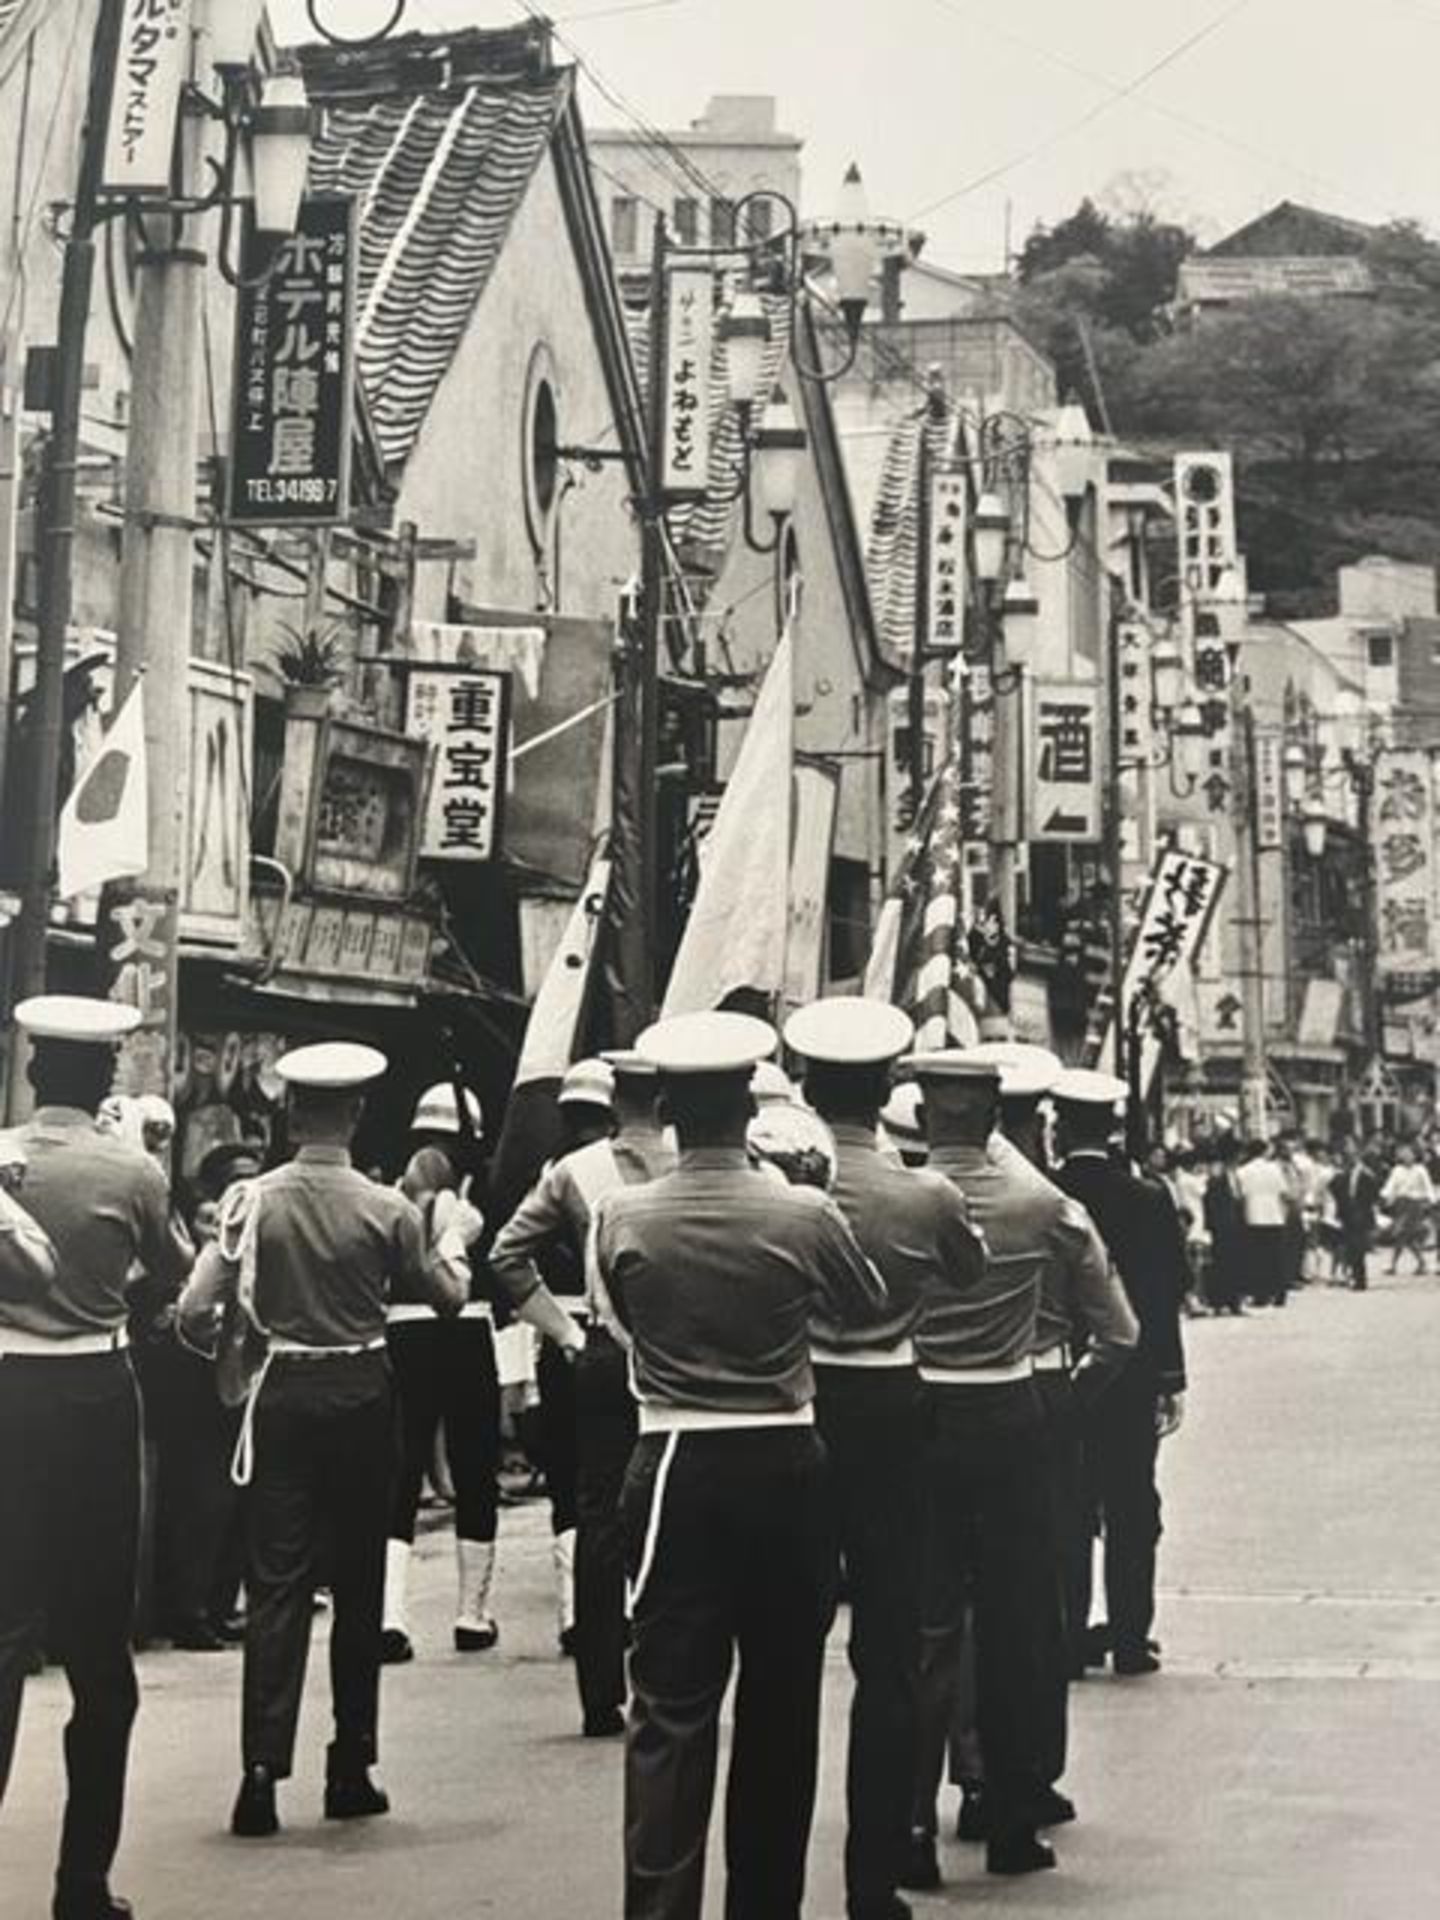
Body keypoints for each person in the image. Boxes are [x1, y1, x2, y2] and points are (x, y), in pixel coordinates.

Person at [592, 1011, 887, 1920]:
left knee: (670, 1706)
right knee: (781, 1701)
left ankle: (659, 1909)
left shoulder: (624, 1213)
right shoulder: (805, 1212)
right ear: (751, 1108)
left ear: (671, 1109)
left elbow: (625, 1321)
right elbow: (863, 1302)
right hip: (785, 1453)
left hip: (676, 1451)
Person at [177, 1041, 471, 1839]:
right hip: (363, 1391)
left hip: (281, 1393)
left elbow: (193, 1310)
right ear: (357, 1114)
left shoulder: (250, 1201)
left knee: (275, 1585)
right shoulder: (388, 1208)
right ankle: (352, 1763)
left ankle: (261, 1772)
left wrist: (240, 1350)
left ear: (291, 1113)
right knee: (358, 1583)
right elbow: (445, 1298)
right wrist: (453, 1255)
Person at [786, 996, 984, 1920]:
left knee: (784, 1646)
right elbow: (967, 1272)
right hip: (896, 1409)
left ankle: (772, 1873)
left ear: (809, 1088)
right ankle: (880, 1867)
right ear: (886, 1089)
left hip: (795, 1409)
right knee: (891, 1651)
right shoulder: (926, 1192)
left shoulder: (780, 1188)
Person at [0, 994, 192, 1920]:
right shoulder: (133, 1170)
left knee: (0, 1638)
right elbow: (173, 1272)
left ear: (34, 1074)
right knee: (100, 1656)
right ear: (106, 1079)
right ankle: (82, 1884)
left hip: (5, 1392)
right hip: (95, 1395)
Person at [968, 1044, 1137, 1827]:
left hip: (933, 1404)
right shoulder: (1049, 1205)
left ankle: (962, 1772)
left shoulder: (929, 1192)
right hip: (1036, 1392)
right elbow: (1119, 1332)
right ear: (1037, 1120)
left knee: (947, 1609)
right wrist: (1070, 1399)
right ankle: (1027, 1773)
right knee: (1038, 1599)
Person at [489, 1050, 674, 1736]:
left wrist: (566, 1331)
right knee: (680, 1509)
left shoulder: (573, 1173)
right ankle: (669, 1670)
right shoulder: (701, 1161)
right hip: (686, 1356)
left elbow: (506, 1256)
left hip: (603, 1352)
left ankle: (602, 1691)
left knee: (601, 1515)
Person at [1053, 1070, 1188, 1679]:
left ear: (1058, 1125)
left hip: (1060, 1375)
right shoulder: (1149, 1198)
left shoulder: (1044, 1194)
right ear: (1111, 1129)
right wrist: (1169, 1376)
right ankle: (1131, 1638)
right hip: (1132, 1376)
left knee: (1069, 1507)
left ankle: (1068, 1635)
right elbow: (1166, 1291)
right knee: (1133, 1506)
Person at [381, 1081, 507, 1663]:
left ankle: (391, 1614)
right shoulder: (480, 1204)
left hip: (404, 1332)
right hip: (464, 1330)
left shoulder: (389, 1197)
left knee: (401, 1468)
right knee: (475, 1467)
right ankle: (471, 1613)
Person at [1235, 1139, 1290, 1307]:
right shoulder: (1275, 1169)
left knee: (1257, 1258)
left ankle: (1261, 1293)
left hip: (1253, 1215)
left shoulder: (1243, 1171)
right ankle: (1280, 1292)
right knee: (1276, 1257)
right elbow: (1284, 1193)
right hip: (1274, 1215)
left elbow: (1240, 1196)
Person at [1203, 1139, 1247, 1314]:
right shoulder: (1218, 1176)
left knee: (1235, 1263)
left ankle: (1233, 1301)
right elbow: (1212, 1202)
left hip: (1235, 1225)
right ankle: (1220, 1301)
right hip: (1223, 1227)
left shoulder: (1233, 1174)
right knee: (1221, 1264)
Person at [1380, 1143, 1436, 1275]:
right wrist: (1385, 1198)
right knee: (1407, 1237)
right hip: (1401, 1204)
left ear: (1414, 1155)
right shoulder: (1397, 1170)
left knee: (1401, 1233)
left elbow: (1428, 1186)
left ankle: (1393, 1264)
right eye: (1403, 1153)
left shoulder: (1420, 1169)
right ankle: (1421, 1263)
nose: (1405, 1156)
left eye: (1408, 1153)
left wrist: (1431, 1200)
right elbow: (1391, 1186)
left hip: (1414, 1204)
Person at [1332, 1143, 1380, 1290]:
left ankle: (1360, 1279)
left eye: (1352, 1156)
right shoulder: (1343, 1175)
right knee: (1350, 1247)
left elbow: (1373, 1195)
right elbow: (1336, 1191)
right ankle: (1355, 1276)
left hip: (1361, 1214)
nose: (1349, 1159)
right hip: (1348, 1214)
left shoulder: (1367, 1175)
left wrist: (1364, 1209)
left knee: (1358, 1247)